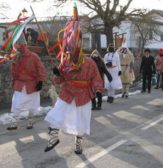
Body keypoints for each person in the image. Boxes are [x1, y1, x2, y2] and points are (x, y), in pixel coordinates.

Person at [44, 4, 104, 154]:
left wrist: (98, 90)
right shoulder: (65, 61)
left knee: (81, 122)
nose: (72, 54)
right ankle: (53, 137)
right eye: (70, 51)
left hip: (83, 96)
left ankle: (78, 143)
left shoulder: (89, 62)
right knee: (56, 114)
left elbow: (96, 78)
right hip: (67, 93)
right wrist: (57, 74)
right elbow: (59, 81)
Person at [7, 35, 46, 130]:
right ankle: (14, 123)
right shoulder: (16, 57)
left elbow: (41, 69)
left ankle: (30, 122)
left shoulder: (34, 56)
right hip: (20, 85)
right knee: (16, 104)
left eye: (19, 46)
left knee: (32, 105)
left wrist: (40, 81)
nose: (17, 48)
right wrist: (14, 81)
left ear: (23, 45)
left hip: (32, 85)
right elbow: (14, 71)